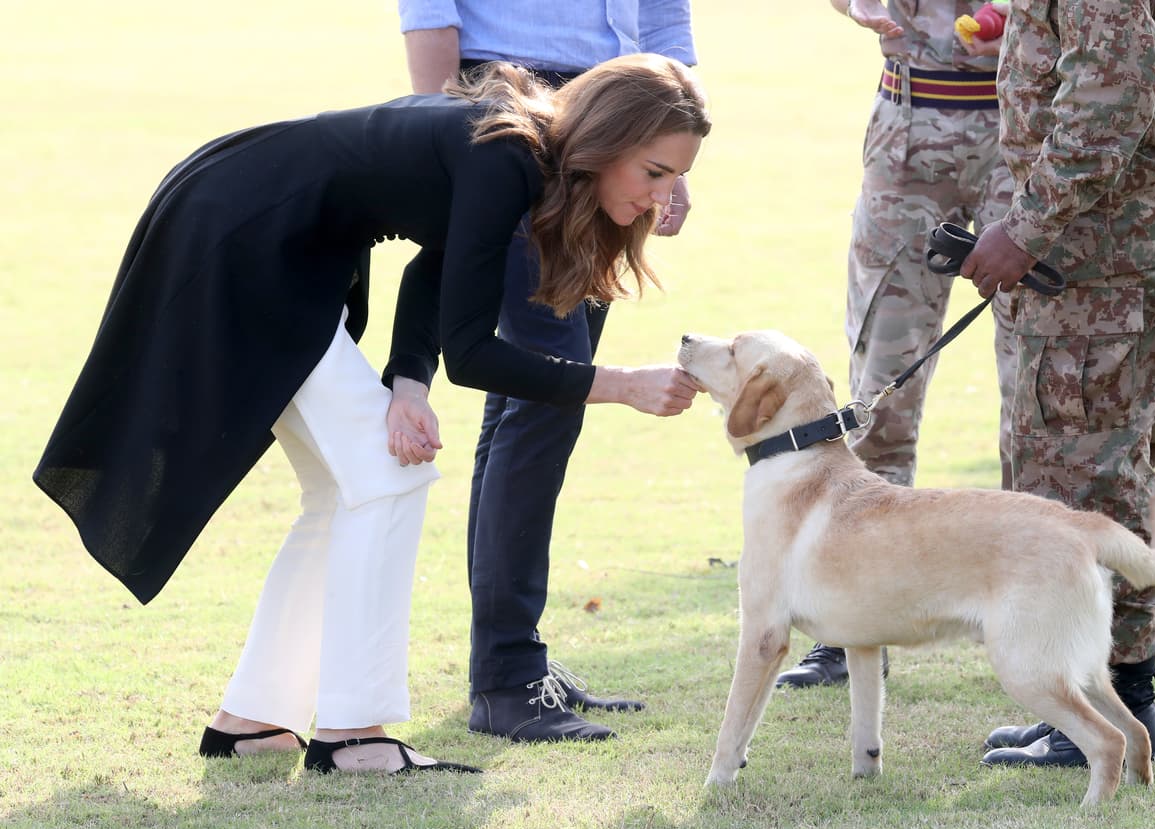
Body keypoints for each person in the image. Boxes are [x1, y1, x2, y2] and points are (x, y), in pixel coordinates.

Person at [32, 53, 711, 773]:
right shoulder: (510, 156)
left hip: (248, 227)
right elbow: (474, 352)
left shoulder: (523, 153)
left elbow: (436, 265)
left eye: (676, 177)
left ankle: (253, 718)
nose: (662, 198)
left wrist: (407, 385)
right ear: (606, 140)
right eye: (654, 171)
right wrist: (618, 383)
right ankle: (355, 734)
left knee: (344, 486)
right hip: (246, 241)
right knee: (385, 475)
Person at [399, 1, 699, 741]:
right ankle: (507, 677)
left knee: (529, 400)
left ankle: (511, 661)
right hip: (516, 116)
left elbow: (662, 16)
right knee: (545, 399)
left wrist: (667, 156)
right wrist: (448, 132)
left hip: (626, 115)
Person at [960, 0, 1155, 767]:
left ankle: (1112, 710)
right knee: (1115, 463)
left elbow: (1108, 95)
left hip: (1104, 248)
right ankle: (1108, 696)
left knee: (1081, 474)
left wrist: (1027, 226)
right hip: (1137, 230)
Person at [776, 0, 1016, 689]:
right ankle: (858, 620)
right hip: (909, 135)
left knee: (1040, 384)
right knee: (882, 389)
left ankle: (1032, 599)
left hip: (1027, 137)